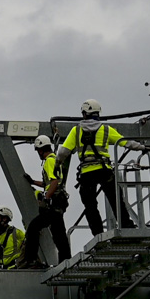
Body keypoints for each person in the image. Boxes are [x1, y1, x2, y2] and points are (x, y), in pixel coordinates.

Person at [53, 98, 134, 235]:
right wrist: (143, 147)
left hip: (87, 173)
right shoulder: (106, 129)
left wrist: (57, 164)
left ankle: (97, 232)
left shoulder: (76, 131)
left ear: (84, 114)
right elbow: (125, 142)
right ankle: (127, 226)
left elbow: (62, 153)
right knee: (116, 199)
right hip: (104, 170)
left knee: (90, 204)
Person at [22, 135, 71, 266]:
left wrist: (46, 198)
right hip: (58, 202)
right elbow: (48, 183)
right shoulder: (55, 160)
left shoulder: (49, 161)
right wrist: (33, 182)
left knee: (33, 228)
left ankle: (31, 260)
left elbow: (54, 182)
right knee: (59, 233)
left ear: (41, 149)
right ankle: (66, 259)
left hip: (54, 202)